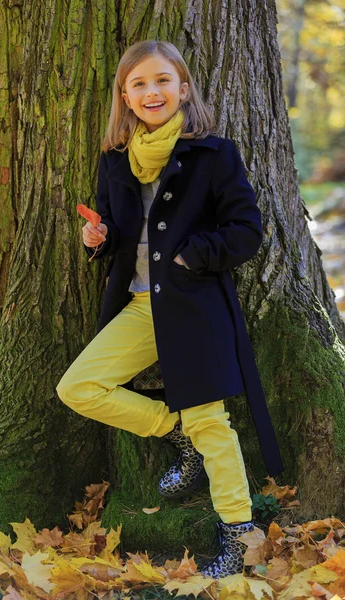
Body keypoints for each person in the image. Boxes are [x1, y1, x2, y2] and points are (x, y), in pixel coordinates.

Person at [56, 39, 284, 579]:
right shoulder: (115, 159)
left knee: (214, 422)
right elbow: (117, 233)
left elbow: (246, 231)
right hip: (138, 306)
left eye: (162, 80)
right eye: (138, 84)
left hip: (192, 304)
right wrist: (98, 237)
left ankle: (241, 534)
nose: (151, 91)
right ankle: (171, 428)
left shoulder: (213, 152)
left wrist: (190, 255)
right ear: (125, 97)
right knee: (78, 387)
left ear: (182, 88)